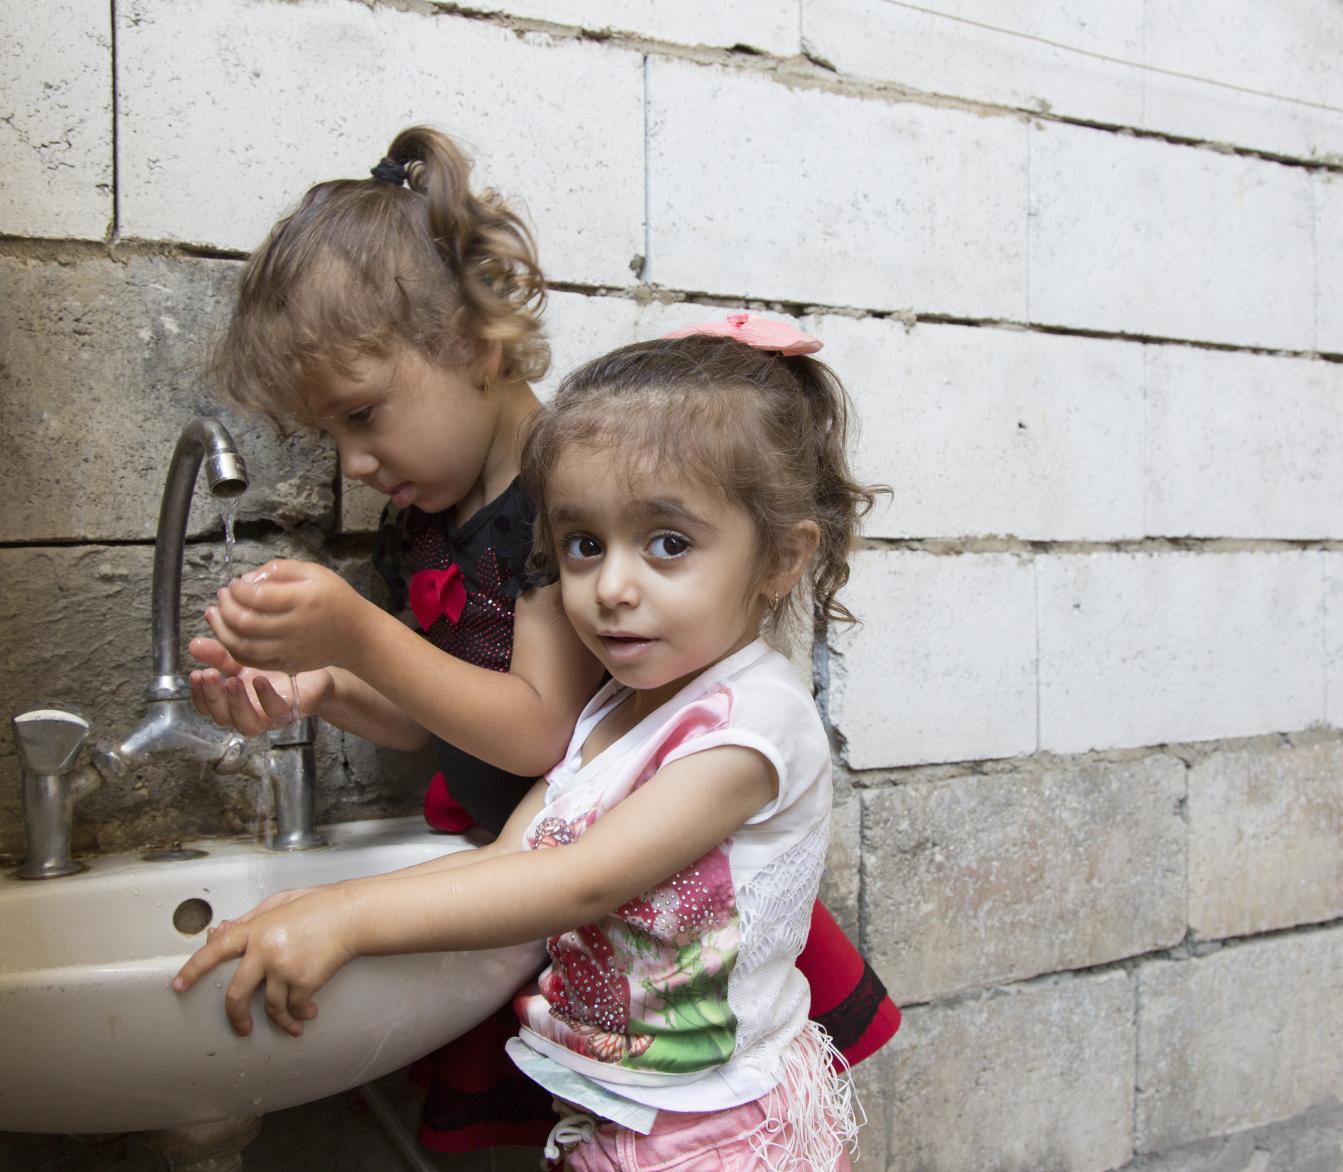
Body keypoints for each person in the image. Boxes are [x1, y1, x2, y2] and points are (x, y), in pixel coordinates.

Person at [191, 122, 897, 1151]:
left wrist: (344, 908)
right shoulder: (612, 700)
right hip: (624, 1073)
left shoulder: (750, 723)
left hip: (714, 1110)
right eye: (578, 547)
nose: (608, 587)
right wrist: (328, 690)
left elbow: (557, 821)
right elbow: (521, 804)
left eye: (664, 543)